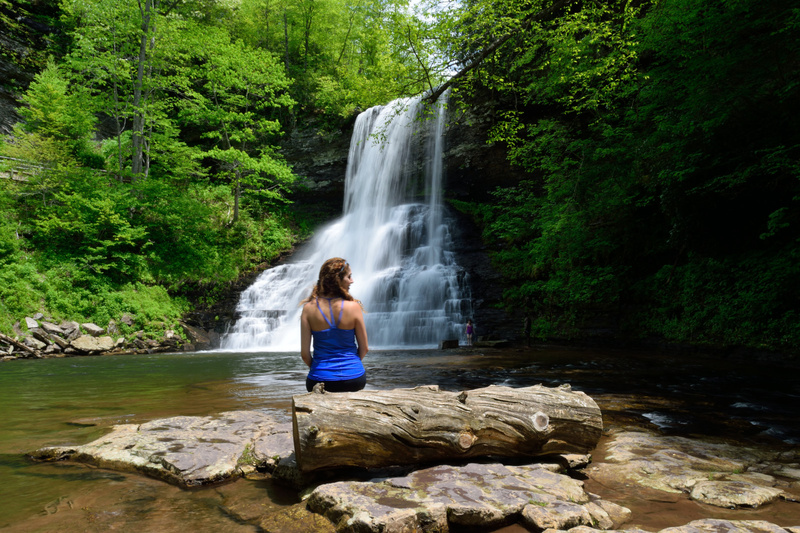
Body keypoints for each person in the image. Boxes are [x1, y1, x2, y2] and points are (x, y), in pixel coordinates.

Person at [300, 257, 368, 392]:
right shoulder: (354, 307)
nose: (352, 281)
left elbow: (305, 355)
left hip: (319, 379)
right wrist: (352, 365)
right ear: (338, 280)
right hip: (354, 379)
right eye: (349, 277)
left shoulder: (308, 309)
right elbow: (364, 348)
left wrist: (321, 369)